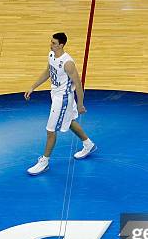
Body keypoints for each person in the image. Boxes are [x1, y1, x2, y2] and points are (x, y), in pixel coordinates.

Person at [24, 32, 96, 175]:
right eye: (51, 42)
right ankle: (88, 144)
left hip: (63, 99)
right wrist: (33, 86)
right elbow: (48, 72)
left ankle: (44, 162)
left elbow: (78, 84)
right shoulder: (51, 55)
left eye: (54, 43)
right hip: (55, 95)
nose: (51, 45)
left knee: (50, 131)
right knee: (68, 121)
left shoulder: (68, 63)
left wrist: (80, 104)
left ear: (61, 45)